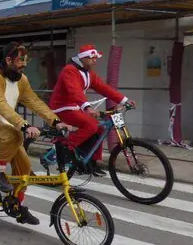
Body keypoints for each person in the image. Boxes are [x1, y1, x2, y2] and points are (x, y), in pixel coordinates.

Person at [0, 42, 68, 226]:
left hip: (8, 127)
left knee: (24, 169)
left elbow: (34, 101)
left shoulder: (21, 80)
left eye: (26, 60)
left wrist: (55, 121)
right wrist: (23, 125)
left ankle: (15, 205)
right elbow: (0, 104)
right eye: (20, 60)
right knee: (15, 135)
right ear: (8, 59)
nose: (24, 64)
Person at [49, 45, 135, 176]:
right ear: (84, 58)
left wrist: (124, 100)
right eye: (93, 57)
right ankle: (65, 148)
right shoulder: (69, 70)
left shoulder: (88, 73)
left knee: (99, 128)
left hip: (76, 106)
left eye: (96, 58)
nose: (95, 60)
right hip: (62, 107)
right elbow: (74, 91)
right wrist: (87, 107)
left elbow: (104, 88)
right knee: (91, 125)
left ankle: (91, 163)